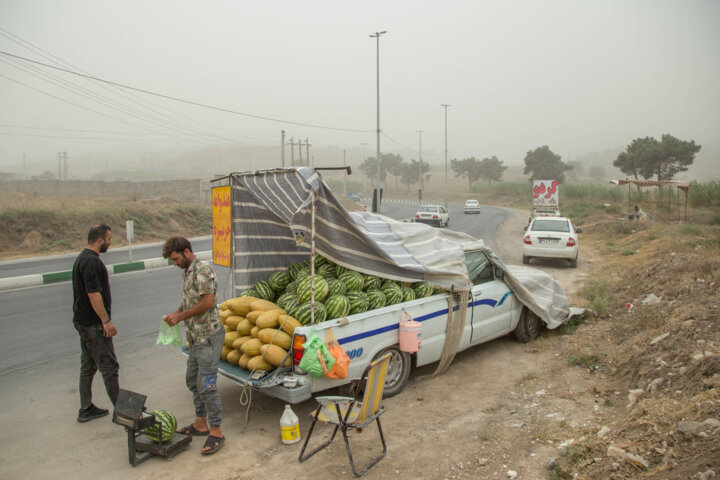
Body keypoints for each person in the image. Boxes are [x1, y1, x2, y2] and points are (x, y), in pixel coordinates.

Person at [162, 236, 226, 455]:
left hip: (208, 337)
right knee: (192, 381)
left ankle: (216, 431)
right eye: (172, 260)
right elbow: (191, 300)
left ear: (187, 252)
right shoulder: (187, 271)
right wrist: (177, 313)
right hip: (196, 339)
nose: (175, 263)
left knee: (207, 387)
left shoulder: (202, 270)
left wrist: (181, 317)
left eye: (176, 258)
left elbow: (207, 302)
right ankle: (201, 423)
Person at [72, 224, 119, 423]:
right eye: (108, 240)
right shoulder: (91, 262)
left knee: (88, 366)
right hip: (93, 325)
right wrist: (106, 321)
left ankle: (86, 408)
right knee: (109, 368)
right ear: (100, 240)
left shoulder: (82, 258)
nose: (110, 243)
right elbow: (93, 294)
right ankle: (126, 413)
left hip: (83, 322)